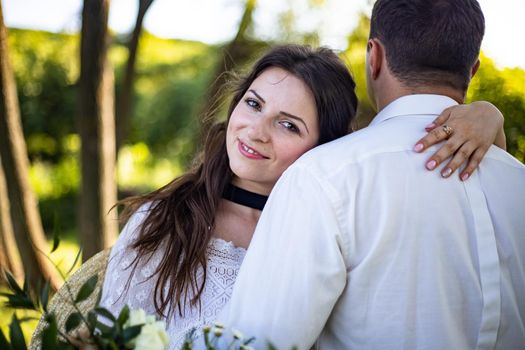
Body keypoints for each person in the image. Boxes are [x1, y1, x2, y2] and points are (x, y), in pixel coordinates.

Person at [97, 44, 507, 349]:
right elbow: (104, 335)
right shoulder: (162, 219)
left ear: (324, 147)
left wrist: (490, 117)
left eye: (288, 125)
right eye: (253, 104)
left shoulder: (334, 231)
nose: (256, 131)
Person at [217, 2, 525, 350]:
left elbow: (255, 343)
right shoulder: (517, 183)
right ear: (472, 70)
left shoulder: (325, 176)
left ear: (374, 56)